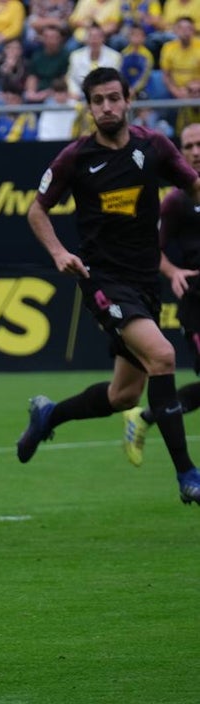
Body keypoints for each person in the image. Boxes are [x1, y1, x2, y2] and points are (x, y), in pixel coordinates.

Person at [18, 67, 200, 504]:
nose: (106, 107)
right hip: (102, 280)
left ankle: (49, 415)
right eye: (97, 100)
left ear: (127, 100)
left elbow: (192, 184)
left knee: (124, 395)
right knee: (163, 355)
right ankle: (187, 474)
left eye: (113, 98)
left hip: (143, 284)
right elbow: (36, 210)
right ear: (89, 106)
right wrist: (60, 253)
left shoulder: (153, 146)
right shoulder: (75, 158)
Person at [123, 121, 200, 466]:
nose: (195, 152)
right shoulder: (176, 201)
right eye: (188, 147)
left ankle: (145, 417)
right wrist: (172, 271)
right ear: (180, 154)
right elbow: (152, 249)